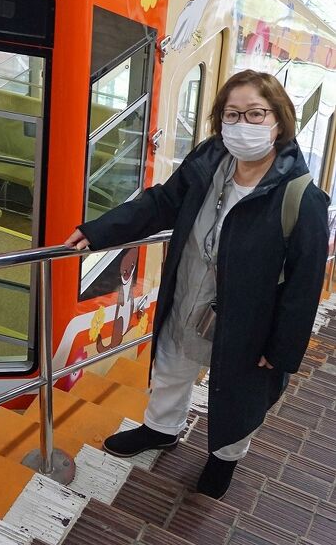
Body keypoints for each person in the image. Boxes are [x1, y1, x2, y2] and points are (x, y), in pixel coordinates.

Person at [66, 70, 329, 499]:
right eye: (233, 114)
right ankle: (161, 430)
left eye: (256, 114)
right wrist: (100, 231)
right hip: (190, 291)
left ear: (279, 121)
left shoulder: (301, 198)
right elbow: (163, 202)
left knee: (239, 394)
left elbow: (304, 285)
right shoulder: (210, 162)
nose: (243, 125)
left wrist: (280, 350)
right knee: (171, 363)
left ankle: (223, 458)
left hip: (247, 321)